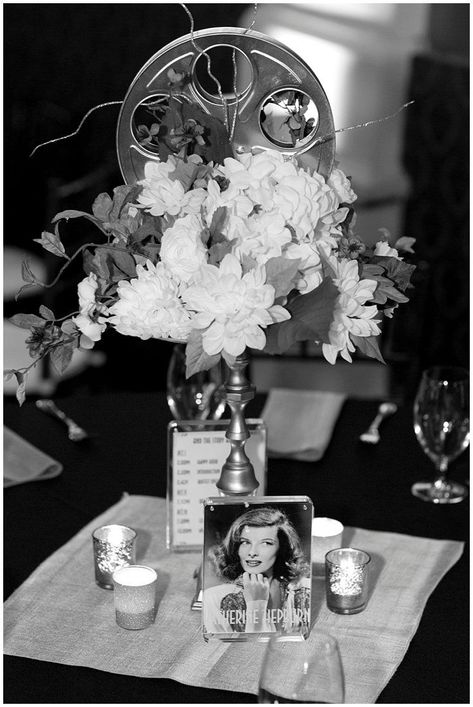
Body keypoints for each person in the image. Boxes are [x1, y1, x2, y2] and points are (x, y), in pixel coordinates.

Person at [203, 506, 311, 634]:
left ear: (282, 548)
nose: (252, 552)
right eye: (245, 542)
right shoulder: (214, 598)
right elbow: (250, 651)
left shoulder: (303, 590)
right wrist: (256, 604)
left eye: (266, 543)